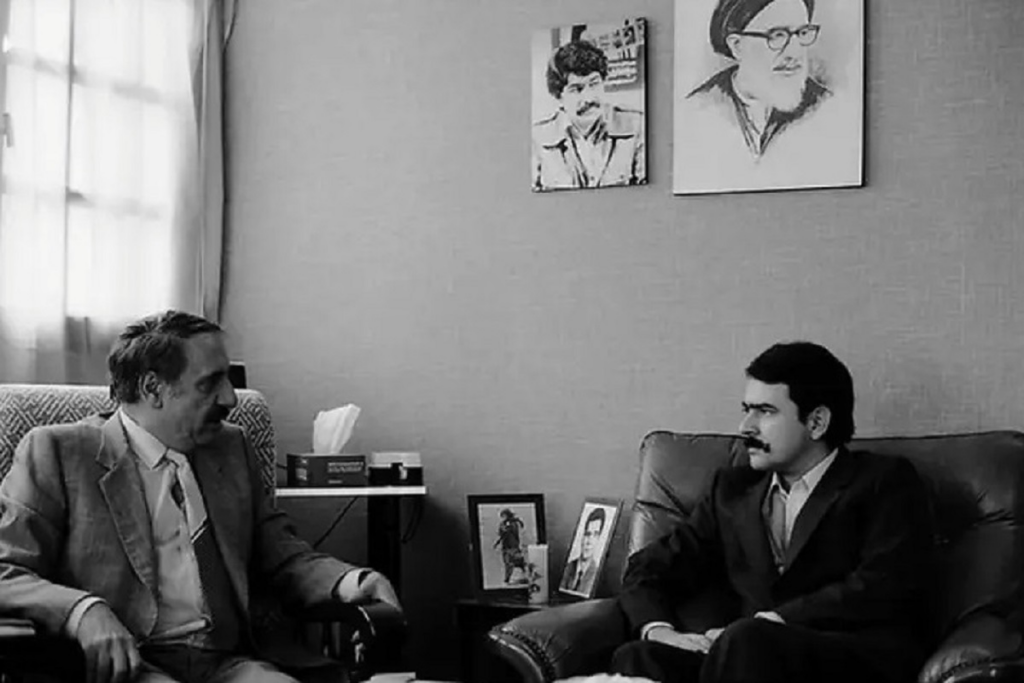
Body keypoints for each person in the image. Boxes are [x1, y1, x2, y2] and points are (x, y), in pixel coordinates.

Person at [0, 310, 401, 683]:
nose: (230, 398)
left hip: (229, 662)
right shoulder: (59, 453)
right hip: (131, 665)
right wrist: (83, 611)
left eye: (228, 379)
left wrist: (351, 581)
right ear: (153, 389)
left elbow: (281, 553)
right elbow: (5, 570)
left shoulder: (231, 447)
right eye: (210, 383)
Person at [612, 341, 935, 683]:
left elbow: (884, 583)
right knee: (637, 656)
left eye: (765, 411)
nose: (746, 427)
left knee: (748, 639)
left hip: (847, 655)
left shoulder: (884, 481)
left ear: (817, 422)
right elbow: (650, 567)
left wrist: (777, 620)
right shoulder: (731, 491)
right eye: (746, 410)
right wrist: (659, 630)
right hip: (746, 659)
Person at [674, 0, 861, 192]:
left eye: (802, 33)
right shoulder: (698, 109)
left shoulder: (829, 109)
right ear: (737, 46)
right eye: (777, 35)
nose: (795, 52)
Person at [532, 39, 645, 191]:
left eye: (594, 84)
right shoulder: (537, 139)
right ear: (559, 96)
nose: (589, 98)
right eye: (576, 89)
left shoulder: (637, 127)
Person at [560, 507, 607, 594]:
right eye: (587, 534)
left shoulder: (597, 574)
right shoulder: (568, 568)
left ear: (599, 539)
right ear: (582, 537)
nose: (589, 541)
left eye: (595, 535)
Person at [494, 509, 527, 584]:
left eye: (503, 516)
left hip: (512, 546)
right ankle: (509, 578)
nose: (502, 518)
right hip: (508, 546)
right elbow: (502, 533)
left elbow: (509, 533)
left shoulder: (513, 523)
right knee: (512, 562)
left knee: (512, 563)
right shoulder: (507, 523)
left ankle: (510, 578)